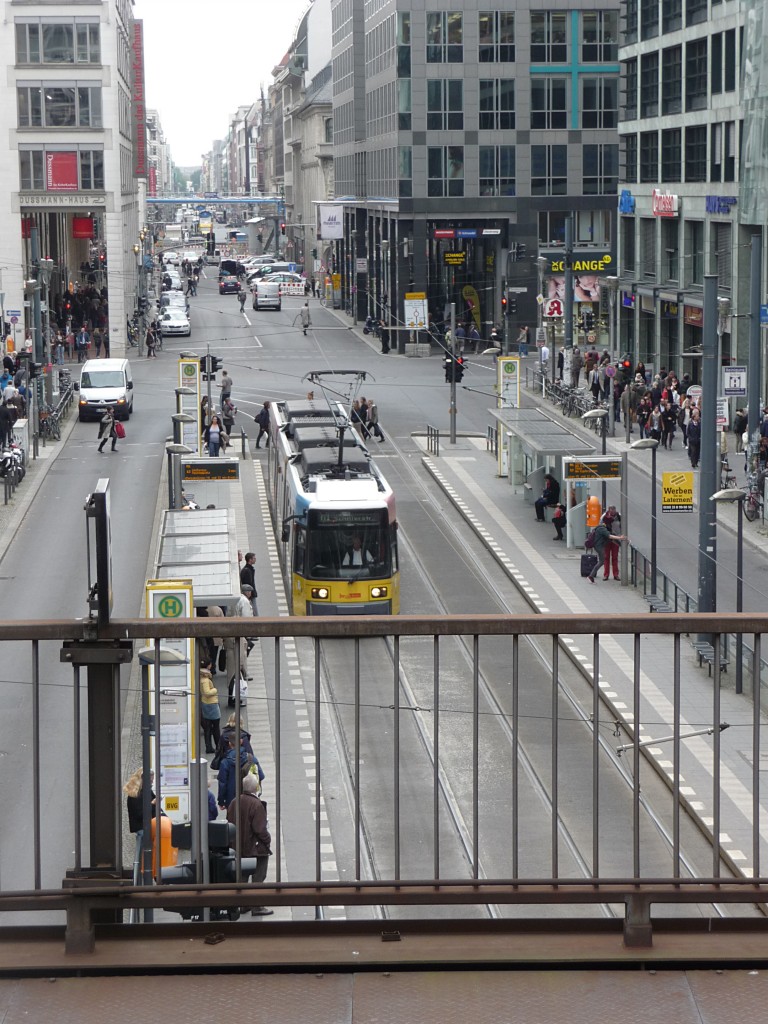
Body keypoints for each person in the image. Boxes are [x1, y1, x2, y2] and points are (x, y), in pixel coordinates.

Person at [227, 772, 273, 915]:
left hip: (238, 846)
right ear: (256, 787)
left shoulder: (235, 801)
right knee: (259, 876)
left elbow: (229, 821)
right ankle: (257, 906)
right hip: (256, 847)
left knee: (242, 876)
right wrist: (267, 840)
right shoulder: (256, 804)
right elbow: (260, 828)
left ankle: (243, 904)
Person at [217, 734, 260, 810]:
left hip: (232, 800)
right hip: (250, 798)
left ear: (230, 743)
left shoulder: (225, 762)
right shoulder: (251, 759)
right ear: (241, 741)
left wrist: (221, 801)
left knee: (233, 820)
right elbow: (261, 776)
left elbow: (222, 784)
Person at [123, 767, 155, 867]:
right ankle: (139, 877)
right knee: (142, 857)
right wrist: (153, 804)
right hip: (141, 827)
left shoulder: (146, 791)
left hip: (145, 826)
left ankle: (141, 875)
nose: (152, 782)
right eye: (151, 780)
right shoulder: (136, 794)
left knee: (142, 857)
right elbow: (139, 814)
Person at [587, 519, 627, 584]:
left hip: (598, 546)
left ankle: (591, 576)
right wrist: (620, 538)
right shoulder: (602, 529)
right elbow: (609, 536)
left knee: (602, 561)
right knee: (602, 561)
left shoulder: (598, 528)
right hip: (599, 547)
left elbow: (609, 539)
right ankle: (590, 576)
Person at [200, 663, 221, 754]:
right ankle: (218, 746)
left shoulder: (202, 680)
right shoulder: (205, 680)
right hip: (211, 704)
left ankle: (209, 746)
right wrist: (215, 690)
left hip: (206, 703)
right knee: (215, 727)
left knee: (208, 727)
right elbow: (207, 692)